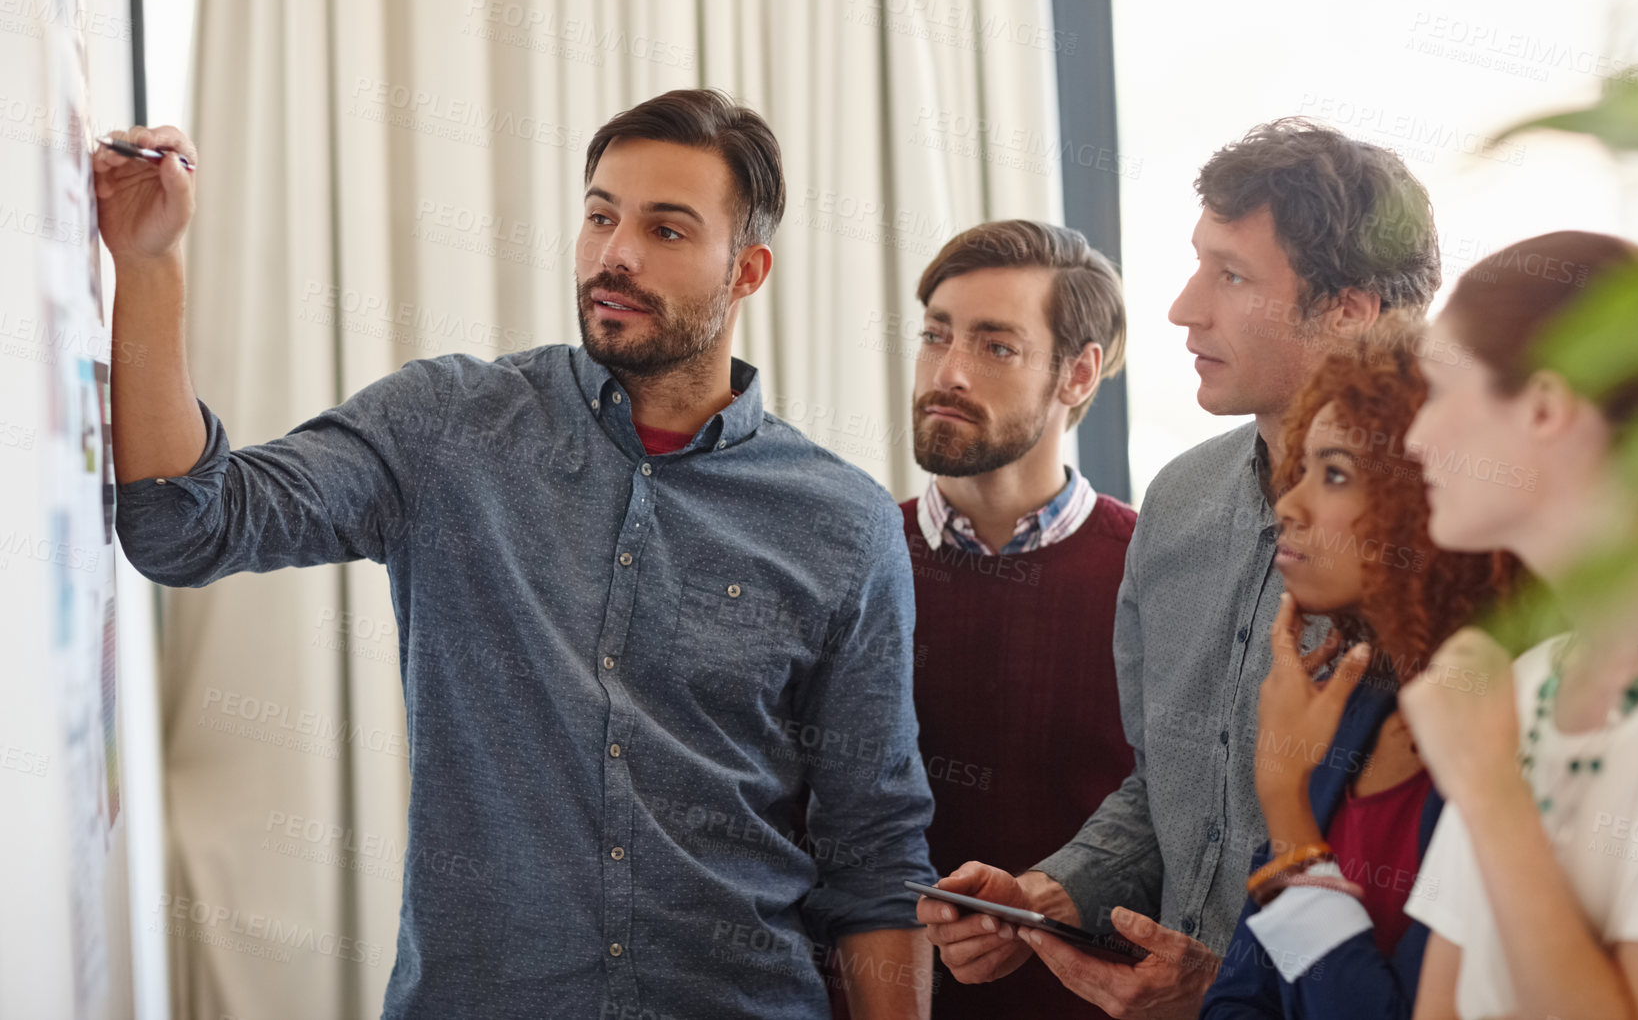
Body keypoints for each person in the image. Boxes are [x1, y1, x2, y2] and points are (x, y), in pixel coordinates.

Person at [98, 89, 937, 1020]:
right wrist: (150, 261)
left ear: (746, 271)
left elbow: (875, 858)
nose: (615, 253)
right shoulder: (445, 427)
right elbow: (185, 525)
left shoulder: (845, 524)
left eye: (665, 230)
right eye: (600, 216)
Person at [919, 118, 1442, 1017]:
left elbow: (1458, 888)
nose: (1183, 307)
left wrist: (1232, 982)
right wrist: (1055, 891)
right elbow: (1164, 784)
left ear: (1350, 312)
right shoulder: (1181, 503)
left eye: (1231, 274)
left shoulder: (1457, 545)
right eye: (1201, 263)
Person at [1397, 231, 1638, 1020]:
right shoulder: (1527, 683)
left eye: (1441, 393)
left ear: (1545, 406)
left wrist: (1487, 787)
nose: (1414, 438)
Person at [1200, 325, 1513, 1018]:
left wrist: (1286, 808)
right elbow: (1240, 998)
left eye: (1335, 473)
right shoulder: (1357, 698)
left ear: (1431, 494)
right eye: (1301, 470)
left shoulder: (1507, 725)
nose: (1289, 505)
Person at [898, 219, 1138, 1018]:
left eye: (996, 347)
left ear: (1078, 374)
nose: (950, 373)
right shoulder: (849, 557)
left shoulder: (1155, 572)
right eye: (938, 336)